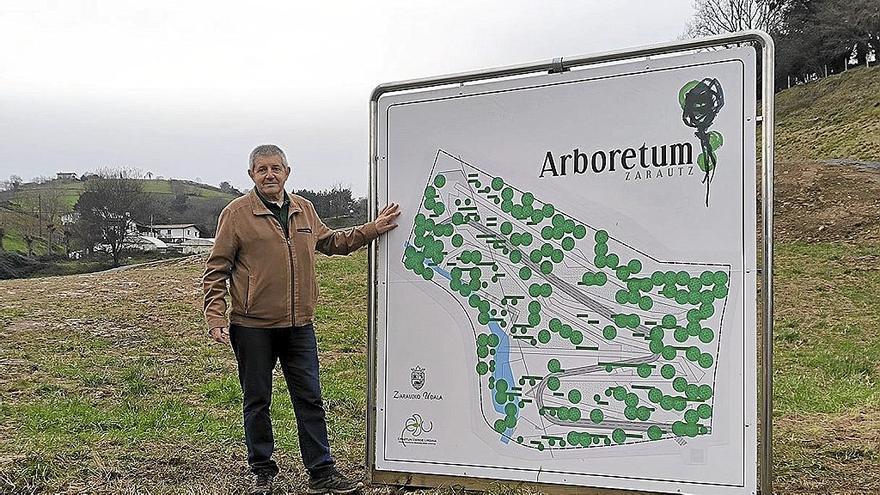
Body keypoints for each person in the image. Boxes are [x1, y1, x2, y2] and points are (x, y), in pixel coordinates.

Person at [203, 144, 400, 495]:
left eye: (276, 168)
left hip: (299, 326)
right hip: (253, 327)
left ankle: (321, 471)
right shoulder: (236, 214)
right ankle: (262, 471)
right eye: (262, 169)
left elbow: (334, 242)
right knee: (257, 399)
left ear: (287, 172)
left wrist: (373, 229)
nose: (269, 175)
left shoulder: (304, 209)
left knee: (309, 398)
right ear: (251, 174)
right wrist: (216, 315)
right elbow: (217, 268)